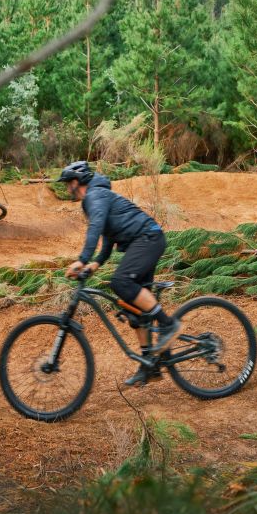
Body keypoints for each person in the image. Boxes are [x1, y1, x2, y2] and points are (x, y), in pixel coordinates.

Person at [58, 160, 182, 387]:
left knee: (121, 282)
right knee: (135, 310)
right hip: (146, 240)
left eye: (68, 184)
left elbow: (95, 227)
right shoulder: (100, 197)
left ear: (77, 182)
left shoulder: (94, 196)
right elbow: (108, 236)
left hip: (148, 238)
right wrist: (95, 264)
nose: (67, 189)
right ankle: (149, 365)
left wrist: (82, 259)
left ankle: (168, 324)